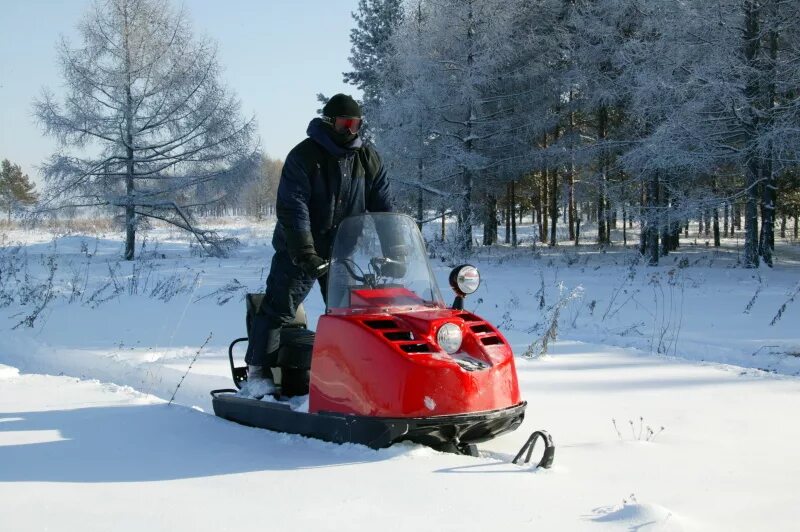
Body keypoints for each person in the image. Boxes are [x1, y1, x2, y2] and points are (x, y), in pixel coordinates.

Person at [240, 93, 393, 398]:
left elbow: (384, 207)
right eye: (344, 124)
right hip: (298, 249)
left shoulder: (367, 158)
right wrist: (304, 252)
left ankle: (347, 373)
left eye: (355, 124)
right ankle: (258, 372)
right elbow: (293, 207)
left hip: (342, 250)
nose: (350, 130)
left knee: (346, 313)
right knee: (280, 307)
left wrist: (395, 250)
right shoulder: (305, 156)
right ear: (329, 122)